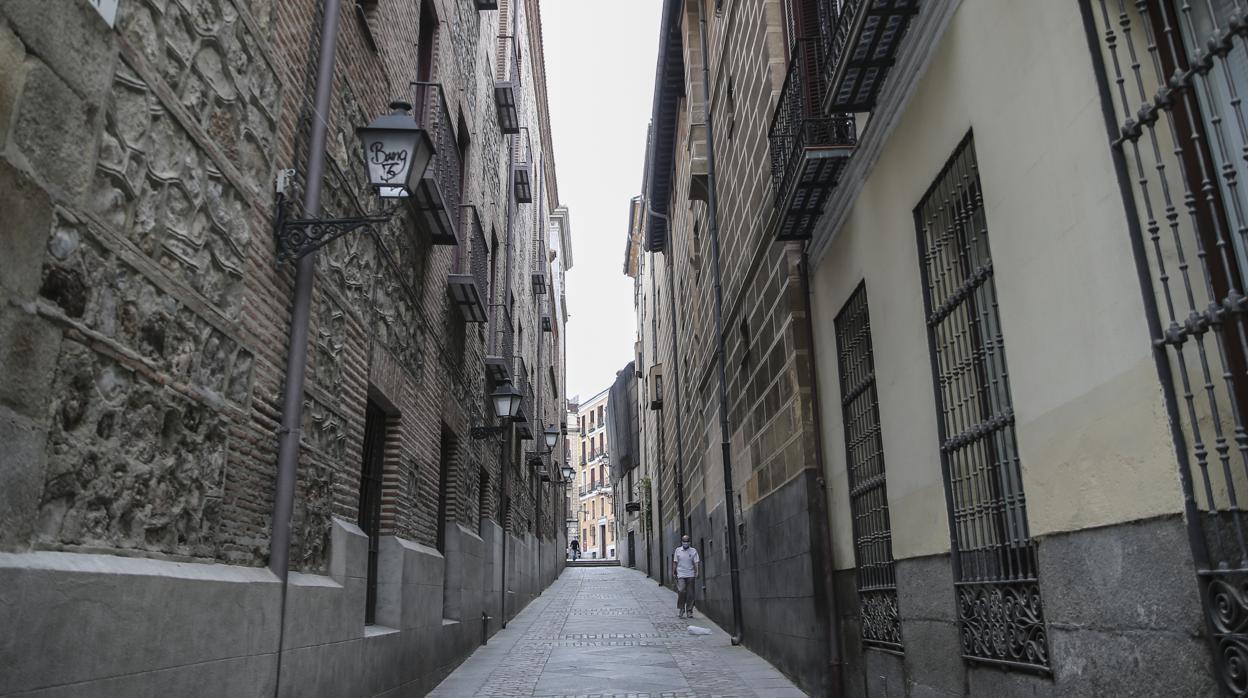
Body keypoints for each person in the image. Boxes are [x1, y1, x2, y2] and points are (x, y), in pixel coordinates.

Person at [672, 534, 700, 618]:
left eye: (687, 541)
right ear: (682, 542)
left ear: (689, 542)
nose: (685, 543)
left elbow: (696, 562)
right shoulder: (678, 550)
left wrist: (697, 572)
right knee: (681, 590)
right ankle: (681, 608)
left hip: (690, 574)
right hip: (681, 573)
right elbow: (675, 561)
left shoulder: (693, 551)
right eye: (684, 541)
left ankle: (689, 610)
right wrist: (673, 571)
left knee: (690, 593)